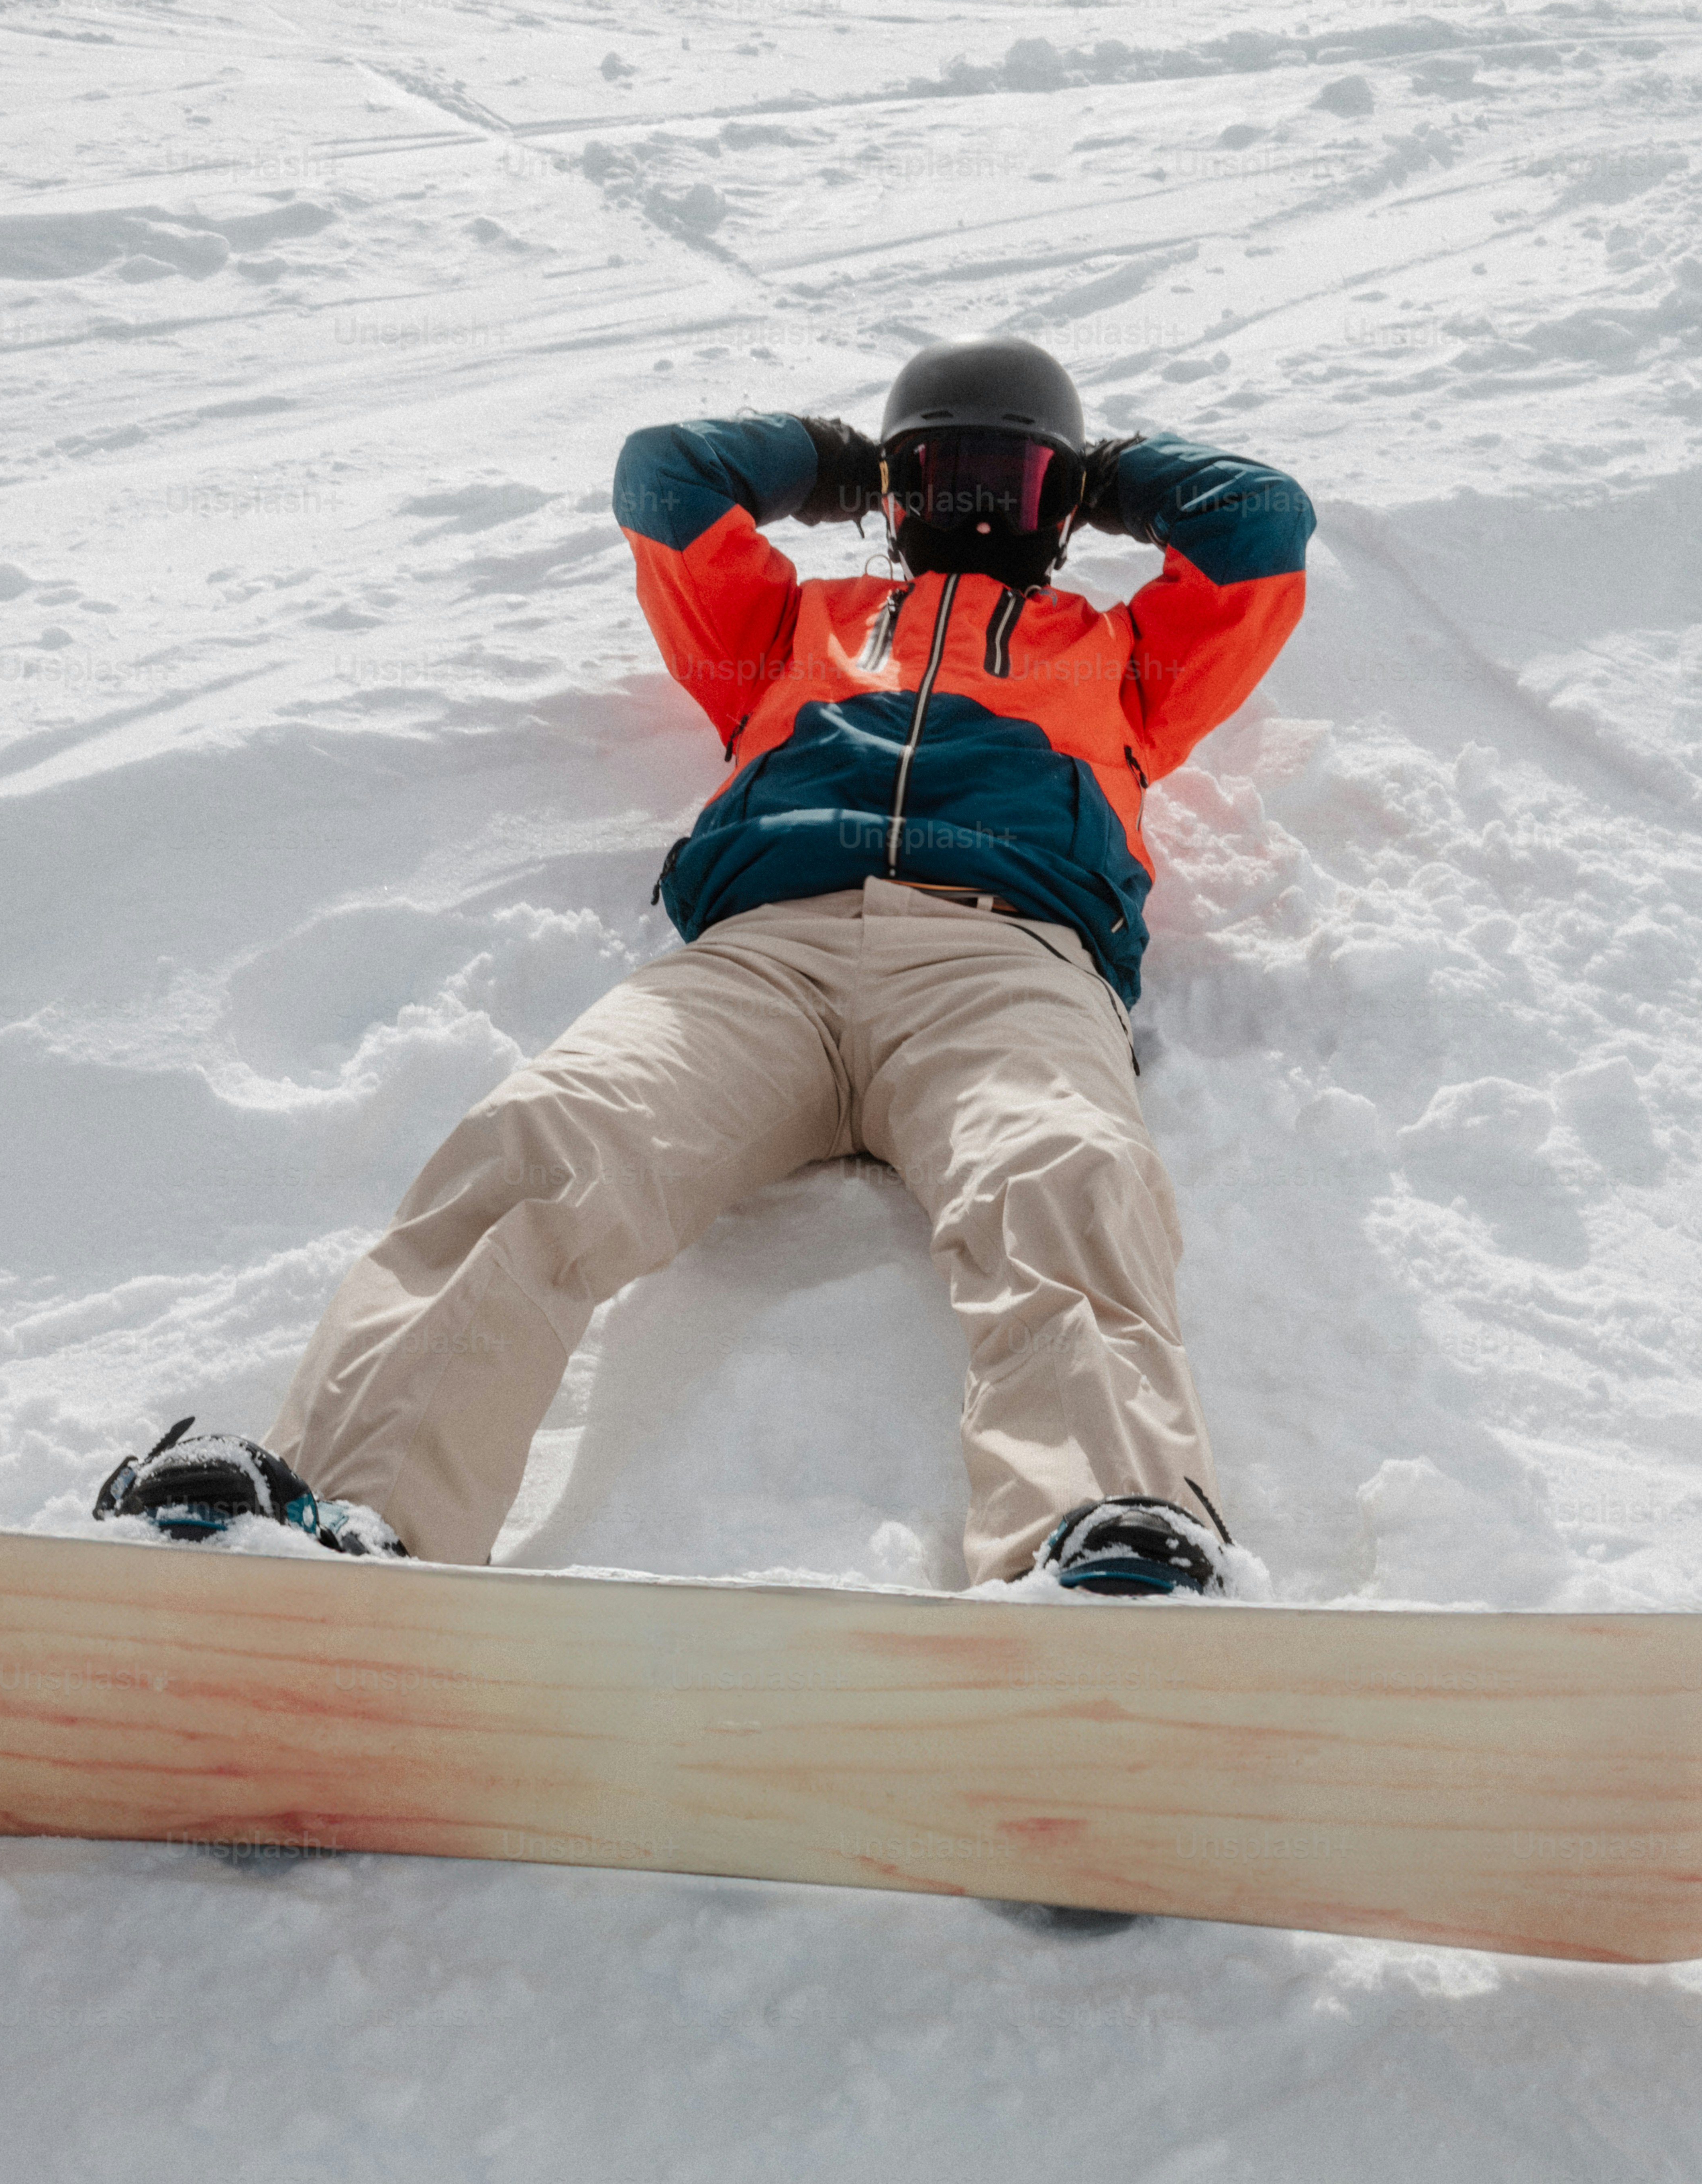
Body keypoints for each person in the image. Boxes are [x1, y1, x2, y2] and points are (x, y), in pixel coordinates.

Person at [92, 335, 1313, 1596]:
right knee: (555, 1137)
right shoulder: (787, 629)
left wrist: (1105, 475)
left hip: (1000, 956)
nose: (969, 512)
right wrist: (842, 464)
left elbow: (1262, 527)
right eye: (936, 482)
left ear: (1055, 512)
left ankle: (1111, 1536)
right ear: (892, 504)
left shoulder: (1128, 658)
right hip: (760, 963)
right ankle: (343, 1510)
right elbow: (666, 479)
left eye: (1005, 487)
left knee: (1065, 1170)